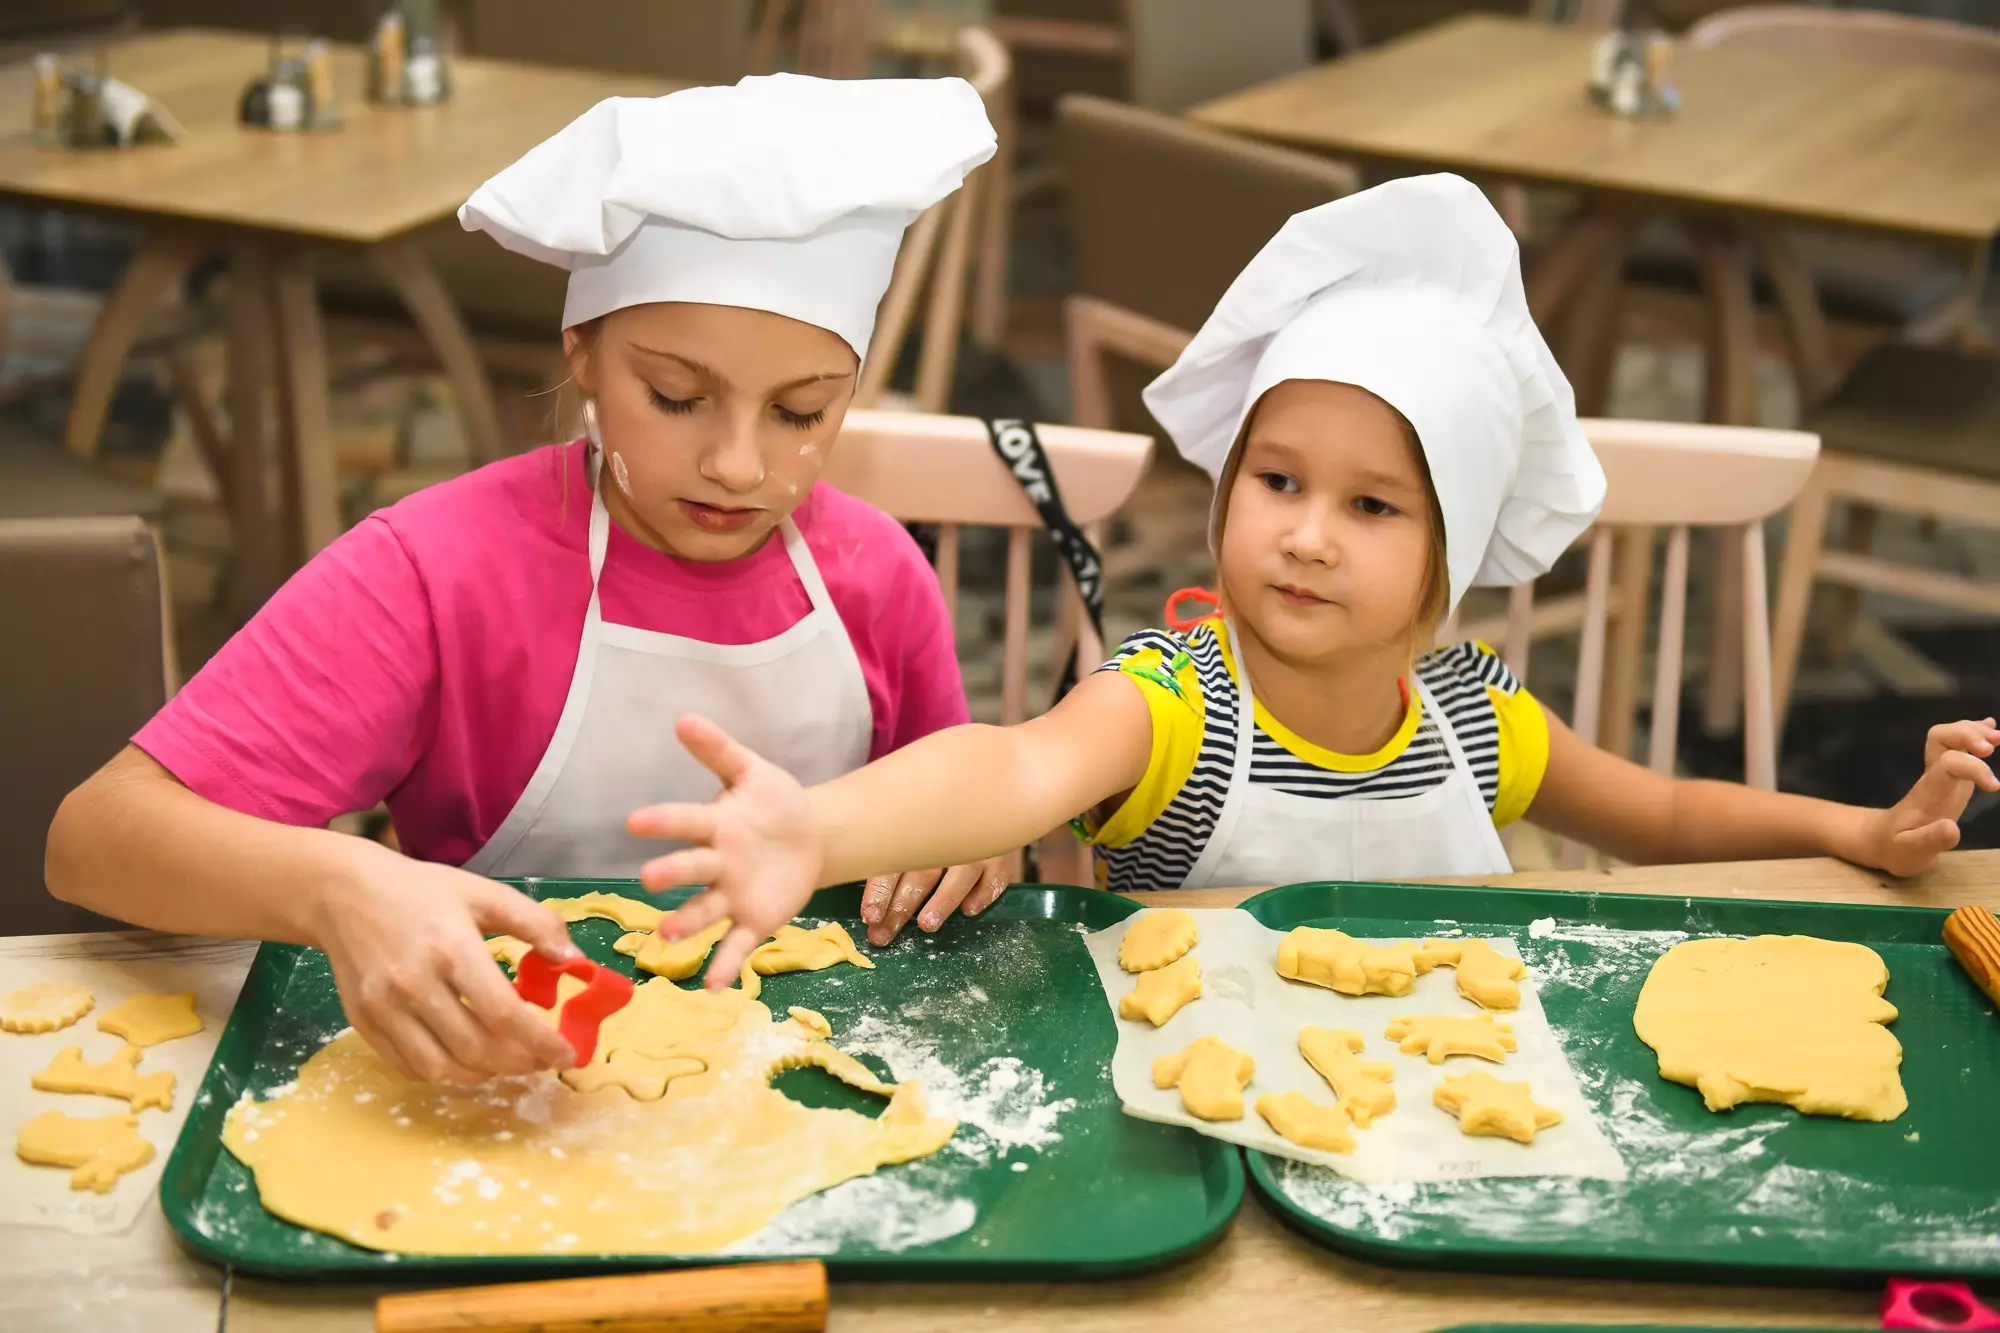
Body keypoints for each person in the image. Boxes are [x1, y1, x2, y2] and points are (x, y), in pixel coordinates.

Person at [621, 174, 2000, 990]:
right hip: (1197, 1123)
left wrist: (1862, 834)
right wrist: (815, 829)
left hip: (1441, 1090)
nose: (1309, 534)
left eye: (1373, 504)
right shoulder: (1172, 710)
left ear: (1449, 560)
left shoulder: (1476, 717)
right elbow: (1009, 767)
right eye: (1275, 482)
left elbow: (1666, 809)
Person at [45, 74, 1006, 1083]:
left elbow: (959, 816)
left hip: (812, 1075)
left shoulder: (879, 575)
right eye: (676, 396)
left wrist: (959, 850)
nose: (736, 463)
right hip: (507, 1079)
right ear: (580, 351)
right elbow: (96, 836)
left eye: (801, 412)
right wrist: (335, 885)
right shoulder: (435, 573)